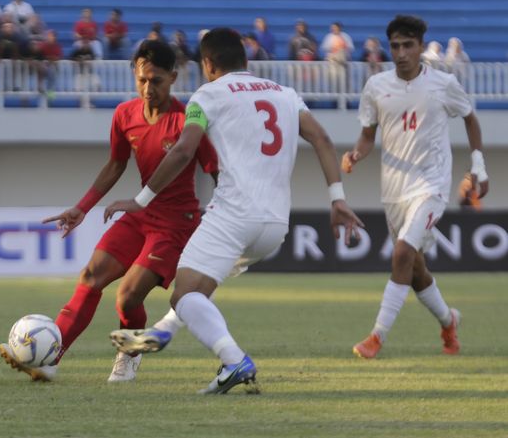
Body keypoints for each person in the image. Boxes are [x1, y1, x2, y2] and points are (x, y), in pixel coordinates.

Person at [106, 28, 362, 394]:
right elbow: (321, 138)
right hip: (275, 225)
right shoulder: (283, 93)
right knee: (198, 290)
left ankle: (234, 359)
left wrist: (141, 199)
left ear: (207, 64)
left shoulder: (207, 95)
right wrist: (337, 198)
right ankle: (163, 330)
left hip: (233, 215)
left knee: (184, 293)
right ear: (245, 60)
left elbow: (181, 151)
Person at [0, 39, 219, 383]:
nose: (148, 88)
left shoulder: (188, 122)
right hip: (139, 215)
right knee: (90, 277)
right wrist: (82, 207)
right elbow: (115, 165)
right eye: (142, 80)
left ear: (173, 78)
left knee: (128, 297)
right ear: (135, 75)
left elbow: (216, 170)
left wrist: (227, 219)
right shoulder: (124, 115)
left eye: (156, 81)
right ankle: (48, 358)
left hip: (177, 224)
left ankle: (130, 355)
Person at [341, 15, 489, 359]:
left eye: (408, 45)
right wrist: (355, 155)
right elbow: (367, 137)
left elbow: (469, 117)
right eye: (395, 46)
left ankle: (376, 336)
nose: (402, 52)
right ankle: (448, 321)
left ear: (421, 47)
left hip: (431, 185)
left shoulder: (442, 83)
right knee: (415, 268)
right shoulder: (376, 87)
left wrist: (478, 166)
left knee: (403, 252)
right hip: (393, 190)